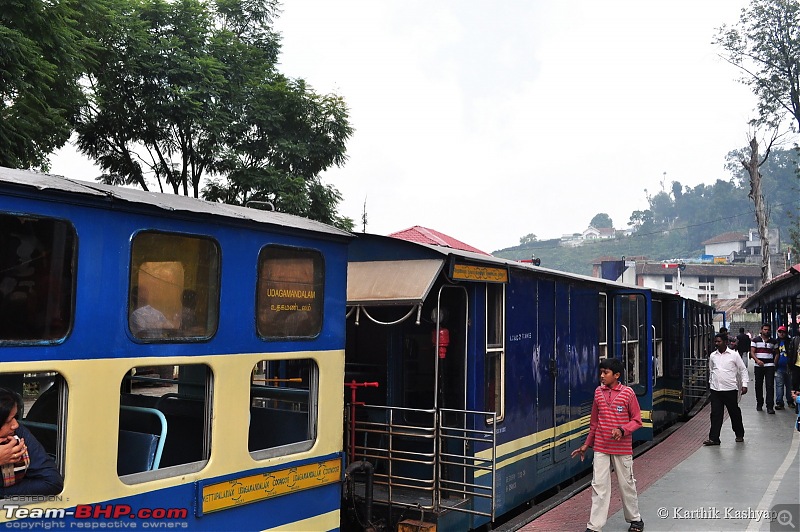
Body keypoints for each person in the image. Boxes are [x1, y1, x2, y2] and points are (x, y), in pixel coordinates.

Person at [571, 358, 644, 532]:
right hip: (601, 448)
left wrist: (622, 429)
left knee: (626, 484)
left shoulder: (628, 394)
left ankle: (635, 520)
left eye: (606, 373)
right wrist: (586, 445)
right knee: (599, 486)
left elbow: (637, 421)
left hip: (622, 448)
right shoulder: (598, 393)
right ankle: (594, 526)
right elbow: (594, 423)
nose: (602, 376)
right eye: (601, 372)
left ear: (617, 375)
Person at [0, 388, 62, 496]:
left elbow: (52, 482)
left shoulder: (18, 433)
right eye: (7, 421)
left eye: (15, 417)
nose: (15, 425)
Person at [703, 333, 748, 445]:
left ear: (725, 342)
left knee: (734, 413)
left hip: (730, 390)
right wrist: (711, 383)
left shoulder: (734, 355)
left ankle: (739, 434)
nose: (717, 344)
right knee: (716, 414)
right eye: (716, 342)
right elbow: (711, 369)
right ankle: (714, 438)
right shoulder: (713, 356)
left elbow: (743, 370)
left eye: (719, 341)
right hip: (716, 390)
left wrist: (744, 384)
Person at [750, 323, 777, 414]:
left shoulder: (773, 341)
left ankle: (770, 406)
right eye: (765, 329)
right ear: (761, 330)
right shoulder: (755, 340)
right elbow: (752, 352)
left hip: (769, 366)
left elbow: (777, 353)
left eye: (768, 329)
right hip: (759, 366)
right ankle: (759, 403)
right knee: (758, 385)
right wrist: (757, 360)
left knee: (770, 386)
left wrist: (774, 363)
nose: (767, 331)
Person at [774, 326, 793, 410]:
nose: (781, 333)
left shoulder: (790, 342)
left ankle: (790, 401)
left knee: (789, 386)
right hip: (779, 368)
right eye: (780, 332)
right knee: (779, 385)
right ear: (777, 332)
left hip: (789, 367)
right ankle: (779, 402)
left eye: (783, 332)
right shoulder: (775, 342)